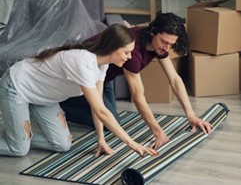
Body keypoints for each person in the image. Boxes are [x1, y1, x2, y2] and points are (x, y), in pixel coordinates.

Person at [0, 24, 158, 157]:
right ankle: (19, 140)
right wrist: (132, 143)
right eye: (126, 52)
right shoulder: (83, 62)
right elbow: (102, 112)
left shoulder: (102, 65)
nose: (130, 57)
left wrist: (101, 139)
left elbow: (98, 107)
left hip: (43, 97)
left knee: (63, 145)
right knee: (19, 150)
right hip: (17, 86)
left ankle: (19, 137)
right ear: (113, 48)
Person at [61, 13, 212, 150]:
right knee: (107, 121)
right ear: (153, 32)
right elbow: (138, 98)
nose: (167, 48)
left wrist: (191, 115)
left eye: (171, 45)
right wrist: (158, 132)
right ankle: (61, 103)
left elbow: (174, 79)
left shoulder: (158, 45)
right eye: (164, 42)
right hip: (80, 75)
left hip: (103, 76)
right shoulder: (133, 51)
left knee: (109, 118)